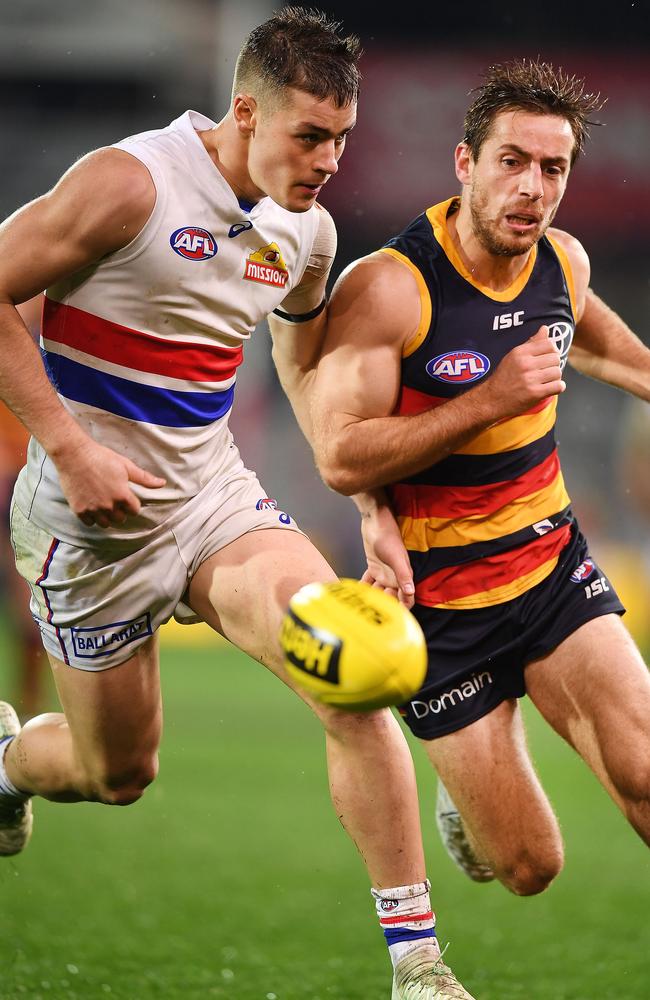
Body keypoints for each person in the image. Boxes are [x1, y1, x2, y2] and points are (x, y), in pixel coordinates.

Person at [0, 9, 475, 999]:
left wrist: (368, 503)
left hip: (213, 502)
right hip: (90, 527)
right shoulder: (128, 183)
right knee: (116, 773)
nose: (328, 160)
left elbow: (302, 372)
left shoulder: (307, 233)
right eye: (309, 135)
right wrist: (70, 446)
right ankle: (8, 762)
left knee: (350, 673)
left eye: (342, 138)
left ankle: (419, 968)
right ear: (244, 111)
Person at [310, 58, 650, 902]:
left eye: (553, 168)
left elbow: (600, 342)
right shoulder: (389, 288)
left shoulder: (560, 264)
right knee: (530, 868)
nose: (532, 187)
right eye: (512, 161)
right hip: (443, 611)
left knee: (644, 769)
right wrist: (487, 399)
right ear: (465, 163)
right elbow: (340, 455)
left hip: (550, 570)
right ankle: (466, 794)